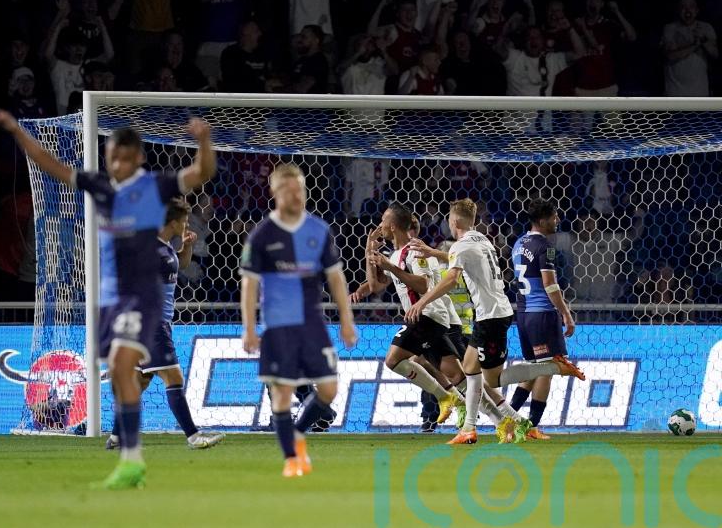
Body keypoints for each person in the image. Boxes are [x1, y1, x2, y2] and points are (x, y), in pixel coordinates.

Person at [0, 109, 217, 489]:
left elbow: (200, 173)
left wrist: (204, 141)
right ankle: (127, 451)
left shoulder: (155, 187)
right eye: (112, 156)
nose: (118, 164)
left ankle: (132, 456)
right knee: (126, 376)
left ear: (138, 158)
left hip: (142, 299)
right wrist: (15, 130)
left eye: (124, 157)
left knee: (132, 370)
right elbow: (50, 165)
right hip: (112, 301)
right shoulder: (101, 185)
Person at [406, 199, 585, 445]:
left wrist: (422, 301)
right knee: (470, 369)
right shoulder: (481, 239)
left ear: (455, 221)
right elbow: (460, 257)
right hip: (497, 312)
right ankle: (474, 427)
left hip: (490, 316)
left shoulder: (463, 246)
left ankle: (554, 368)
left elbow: (451, 279)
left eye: (448, 219)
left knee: (492, 379)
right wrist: (433, 253)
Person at [240, 164, 357, 478]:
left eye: (301, 190)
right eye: (290, 190)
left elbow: (336, 278)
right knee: (281, 394)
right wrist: (249, 327)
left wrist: (346, 319)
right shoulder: (262, 234)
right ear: (275, 192)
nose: (297, 196)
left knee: (329, 389)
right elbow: (249, 284)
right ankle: (292, 458)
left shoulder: (318, 230)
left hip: (313, 324)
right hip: (278, 326)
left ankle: (297, 434)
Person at [106, 198, 225, 451]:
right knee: (174, 376)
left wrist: (188, 246)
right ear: (172, 222)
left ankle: (115, 438)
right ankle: (193, 436)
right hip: (152, 325)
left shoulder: (165, 248)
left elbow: (179, 264)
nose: (186, 225)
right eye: (183, 222)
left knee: (140, 382)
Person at [364, 203, 463, 428]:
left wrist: (391, 268)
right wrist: (369, 251)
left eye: (382, 221)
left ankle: (446, 397)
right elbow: (375, 286)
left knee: (393, 359)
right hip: (423, 318)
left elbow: (423, 284)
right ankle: (495, 414)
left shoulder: (415, 250)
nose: (379, 226)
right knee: (456, 374)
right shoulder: (396, 254)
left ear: (391, 226)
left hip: (428, 315)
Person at [509, 199, 576, 440]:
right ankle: (531, 427)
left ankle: (508, 418)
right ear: (543, 219)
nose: (557, 221)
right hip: (543, 314)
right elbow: (550, 284)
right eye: (554, 217)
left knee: (534, 370)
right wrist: (566, 313)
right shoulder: (545, 246)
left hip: (524, 314)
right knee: (546, 369)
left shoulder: (518, 244)